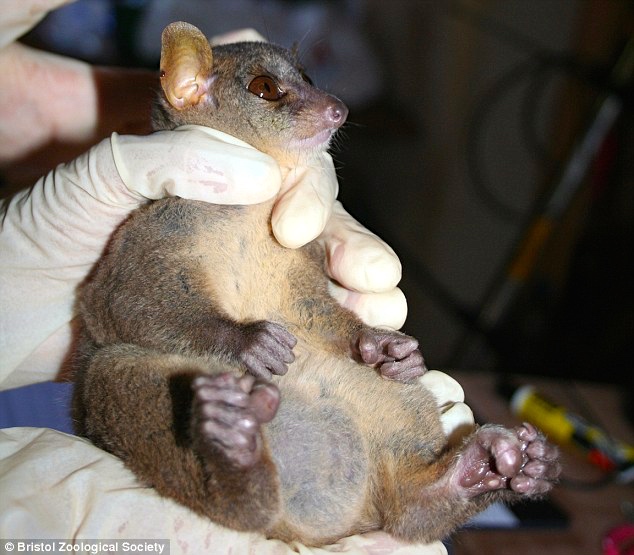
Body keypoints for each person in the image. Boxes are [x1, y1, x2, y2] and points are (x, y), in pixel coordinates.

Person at [0, 2, 474, 554]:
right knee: (110, 374)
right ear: (191, 91)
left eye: (306, 83)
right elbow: (132, 311)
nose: (332, 109)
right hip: (215, 428)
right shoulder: (159, 224)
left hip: (315, 434)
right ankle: (233, 474)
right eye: (269, 91)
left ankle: (424, 485)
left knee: (387, 379)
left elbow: (311, 314)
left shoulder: (286, 219)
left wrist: (364, 342)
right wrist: (228, 338)